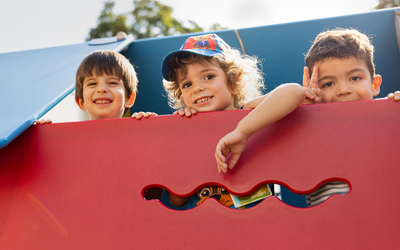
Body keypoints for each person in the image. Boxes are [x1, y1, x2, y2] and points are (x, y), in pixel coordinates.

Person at [161, 33, 311, 209]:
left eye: (208, 76)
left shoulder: (249, 114)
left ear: (234, 83)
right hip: (204, 231)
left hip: (255, 227)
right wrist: (182, 150)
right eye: (187, 84)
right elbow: (177, 200)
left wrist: (242, 131)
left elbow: (294, 91)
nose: (198, 88)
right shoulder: (187, 133)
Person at [302, 28, 400, 207]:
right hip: (332, 228)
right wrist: (303, 107)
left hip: (386, 222)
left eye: (355, 78)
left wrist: (395, 111)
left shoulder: (388, 123)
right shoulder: (309, 133)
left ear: (374, 84)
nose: (343, 90)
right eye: (328, 83)